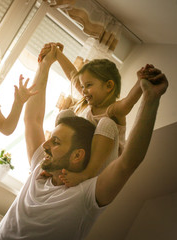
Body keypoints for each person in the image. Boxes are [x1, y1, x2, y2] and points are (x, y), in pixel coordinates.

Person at [0, 46, 168, 239]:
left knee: (106, 124)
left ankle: (85, 170)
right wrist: (48, 62)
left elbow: (128, 162)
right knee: (65, 113)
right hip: (81, 144)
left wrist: (148, 94)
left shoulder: (85, 193)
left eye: (54, 142)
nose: (45, 146)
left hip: (97, 162)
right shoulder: (42, 166)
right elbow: (33, 119)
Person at [38, 43, 158, 187]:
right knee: (65, 115)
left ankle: (85, 174)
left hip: (105, 162)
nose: (84, 90)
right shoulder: (88, 102)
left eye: (89, 85)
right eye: (83, 86)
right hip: (86, 155)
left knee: (106, 124)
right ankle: (56, 167)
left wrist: (140, 83)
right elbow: (73, 75)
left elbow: (128, 103)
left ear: (108, 86)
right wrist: (57, 54)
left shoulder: (113, 110)